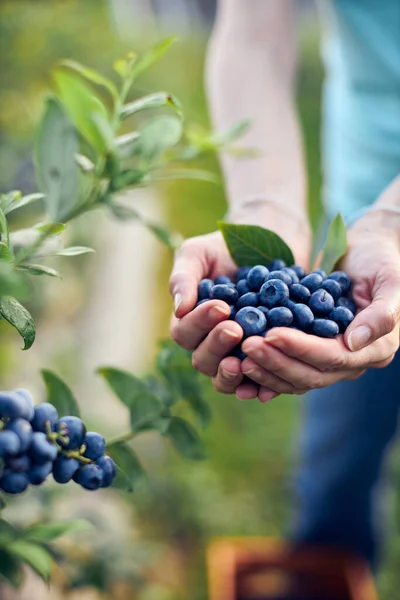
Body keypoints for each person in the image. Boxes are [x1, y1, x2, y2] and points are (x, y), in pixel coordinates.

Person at [169, 0, 400, 566]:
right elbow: (252, 33)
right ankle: (325, 565)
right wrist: (265, 207)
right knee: (337, 463)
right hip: (368, 228)